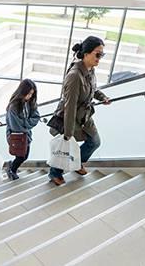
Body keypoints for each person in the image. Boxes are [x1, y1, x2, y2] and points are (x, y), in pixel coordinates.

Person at [48, 36, 111, 186]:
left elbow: (92, 89)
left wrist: (102, 97)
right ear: (87, 53)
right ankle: (55, 172)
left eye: (102, 54)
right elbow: (69, 107)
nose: (100, 58)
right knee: (66, 146)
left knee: (94, 142)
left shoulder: (90, 70)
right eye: (98, 54)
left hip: (85, 116)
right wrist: (68, 133)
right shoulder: (75, 76)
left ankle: (76, 163)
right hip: (71, 117)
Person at [5, 79, 40, 180]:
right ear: (22, 92)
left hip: (26, 135)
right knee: (21, 156)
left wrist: (25, 123)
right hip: (15, 136)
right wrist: (27, 123)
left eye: (31, 94)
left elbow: (36, 117)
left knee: (24, 156)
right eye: (28, 93)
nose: (29, 96)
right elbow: (16, 126)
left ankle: (11, 167)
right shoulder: (13, 106)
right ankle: (12, 170)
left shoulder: (30, 102)